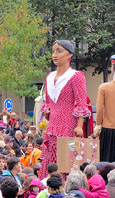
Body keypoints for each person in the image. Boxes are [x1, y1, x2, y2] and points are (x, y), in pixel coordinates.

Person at [39, 40, 90, 179]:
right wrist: (46, 112)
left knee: (67, 162)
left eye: (59, 51)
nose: (55, 54)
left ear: (70, 55)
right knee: (50, 161)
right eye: (54, 51)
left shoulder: (76, 76)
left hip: (69, 126)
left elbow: (81, 102)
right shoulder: (49, 77)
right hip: (52, 127)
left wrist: (80, 125)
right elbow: (48, 102)